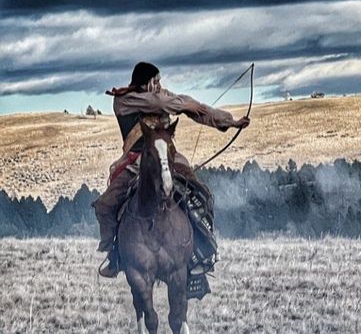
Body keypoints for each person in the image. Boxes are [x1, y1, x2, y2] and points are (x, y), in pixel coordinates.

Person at [92, 61, 250, 278]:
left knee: (201, 195)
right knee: (105, 205)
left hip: (170, 159)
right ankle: (114, 255)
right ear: (143, 83)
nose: (158, 85)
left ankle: (202, 249)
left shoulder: (166, 97)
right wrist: (183, 104)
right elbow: (159, 103)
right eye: (154, 81)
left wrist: (230, 122)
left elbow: (196, 109)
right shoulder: (124, 100)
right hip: (136, 163)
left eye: (159, 81)